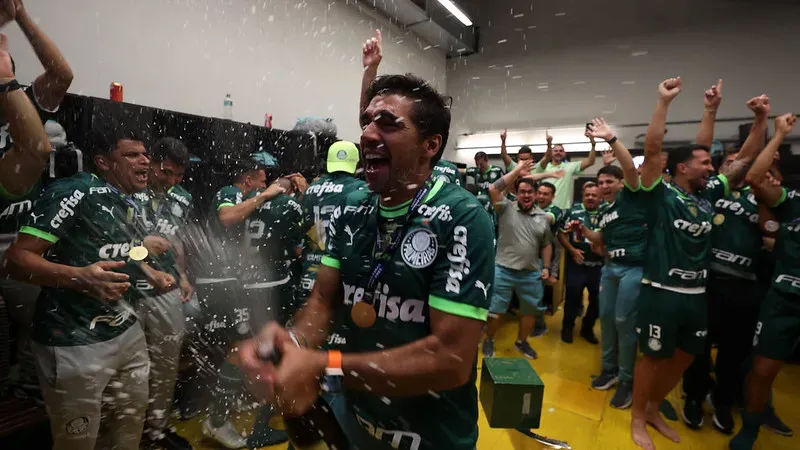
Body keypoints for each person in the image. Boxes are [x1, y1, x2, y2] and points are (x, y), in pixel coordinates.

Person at [238, 73, 494, 450]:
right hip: (355, 424)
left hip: (431, 437)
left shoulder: (461, 217)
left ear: (430, 145)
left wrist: (325, 369)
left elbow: (450, 358)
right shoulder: (353, 210)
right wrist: (292, 344)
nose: (368, 135)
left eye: (388, 124)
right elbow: (323, 301)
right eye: (367, 122)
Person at [4, 127, 175, 450]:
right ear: (104, 162)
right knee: (78, 441)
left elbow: (118, 249)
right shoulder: (75, 191)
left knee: (128, 430)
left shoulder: (130, 200)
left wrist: (149, 270)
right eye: (131, 155)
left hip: (126, 332)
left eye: (145, 154)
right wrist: (79, 277)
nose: (144, 161)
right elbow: (15, 260)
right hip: (73, 341)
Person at [629, 78, 761, 450]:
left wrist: (760, 120)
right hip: (661, 291)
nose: (712, 167)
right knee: (652, 359)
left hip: (696, 293)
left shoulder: (709, 195)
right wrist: (663, 102)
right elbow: (653, 150)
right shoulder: (661, 193)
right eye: (704, 163)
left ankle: (654, 407)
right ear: (682, 168)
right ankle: (638, 417)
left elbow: (744, 163)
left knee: (687, 355)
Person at [0, 2, 73, 398]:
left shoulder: (23, 106)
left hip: (18, 240)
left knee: (41, 314)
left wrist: (23, 18)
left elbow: (62, 74)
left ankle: (25, 379)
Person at [195, 162, 285, 448]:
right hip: (217, 282)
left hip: (228, 281)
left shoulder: (243, 197)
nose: (264, 186)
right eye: (261, 181)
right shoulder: (231, 192)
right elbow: (226, 217)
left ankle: (220, 413)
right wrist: (266, 195)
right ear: (247, 180)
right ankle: (216, 420)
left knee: (241, 347)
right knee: (237, 350)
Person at [730, 112, 798, 450]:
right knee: (762, 370)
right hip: (784, 300)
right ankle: (751, 429)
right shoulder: (794, 205)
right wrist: (780, 134)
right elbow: (755, 178)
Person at [580, 118, 647, 409]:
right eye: (600, 182)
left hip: (634, 268)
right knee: (606, 319)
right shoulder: (606, 210)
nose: (604, 186)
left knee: (624, 322)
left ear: (620, 183)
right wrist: (581, 230)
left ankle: (627, 379)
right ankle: (609, 370)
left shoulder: (633, 197)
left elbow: (630, 167)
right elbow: (599, 239)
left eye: (609, 181)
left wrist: (610, 139)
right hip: (610, 269)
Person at [133, 137, 194, 450]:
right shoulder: (129, 190)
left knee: (166, 364)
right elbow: (114, 240)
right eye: (166, 172)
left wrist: (183, 276)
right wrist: (142, 248)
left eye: (178, 175)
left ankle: (157, 429)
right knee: (129, 369)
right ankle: (127, 433)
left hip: (167, 291)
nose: (171, 181)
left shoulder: (182, 198)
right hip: (128, 291)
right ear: (152, 163)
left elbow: (179, 240)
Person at [242, 174, 305, 448]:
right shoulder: (289, 206)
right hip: (274, 284)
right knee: (275, 353)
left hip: (248, 282)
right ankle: (260, 428)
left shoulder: (251, 199)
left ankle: (248, 413)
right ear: (291, 189)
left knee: (254, 348)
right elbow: (298, 246)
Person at [482, 161, 553, 359]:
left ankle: (522, 342)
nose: (526, 195)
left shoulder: (543, 217)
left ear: (536, 194)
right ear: (517, 193)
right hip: (503, 269)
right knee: (495, 310)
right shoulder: (505, 208)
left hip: (530, 273)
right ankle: (489, 339)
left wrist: (546, 267)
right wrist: (517, 171)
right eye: (522, 191)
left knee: (529, 311)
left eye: (530, 191)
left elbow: (547, 244)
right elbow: (493, 188)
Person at [299, 141, 367, 299]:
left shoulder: (310, 190)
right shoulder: (361, 190)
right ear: (357, 163)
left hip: (309, 275)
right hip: (338, 280)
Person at [559, 182, 604, 344]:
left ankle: (587, 329)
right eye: (587, 195)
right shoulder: (573, 212)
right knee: (572, 298)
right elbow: (562, 234)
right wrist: (572, 250)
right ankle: (567, 328)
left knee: (598, 301)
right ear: (582, 196)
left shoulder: (607, 212)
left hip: (599, 266)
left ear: (600, 197)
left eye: (594, 195)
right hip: (577, 264)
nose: (590, 198)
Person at [534, 130, 597, 209]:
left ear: (564, 154)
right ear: (551, 153)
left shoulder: (569, 167)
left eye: (561, 151)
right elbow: (546, 157)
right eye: (556, 151)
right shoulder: (543, 167)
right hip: (545, 208)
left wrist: (593, 144)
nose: (558, 152)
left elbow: (590, 162)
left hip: (563, 209)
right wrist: (549, 144)